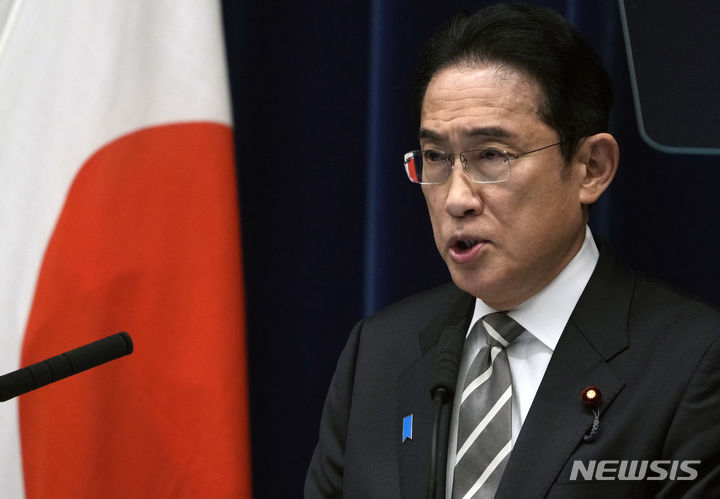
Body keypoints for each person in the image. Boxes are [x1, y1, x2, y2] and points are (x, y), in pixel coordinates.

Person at [305, 4, 720, 498]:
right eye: (435, 157)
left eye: (491, 156)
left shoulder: (694, 365)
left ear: (591, 167)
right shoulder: (378, 353)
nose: (456, 198)